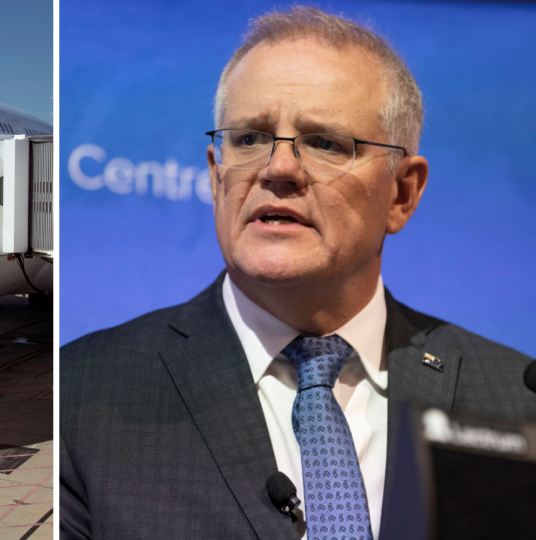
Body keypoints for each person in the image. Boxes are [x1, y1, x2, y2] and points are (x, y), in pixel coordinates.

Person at [60, 6, 536, 539]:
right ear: (217, 180)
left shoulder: (519, 402)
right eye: (248, 138)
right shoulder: (78, 396)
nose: (278, 168)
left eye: (325, 143)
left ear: (402, 193)